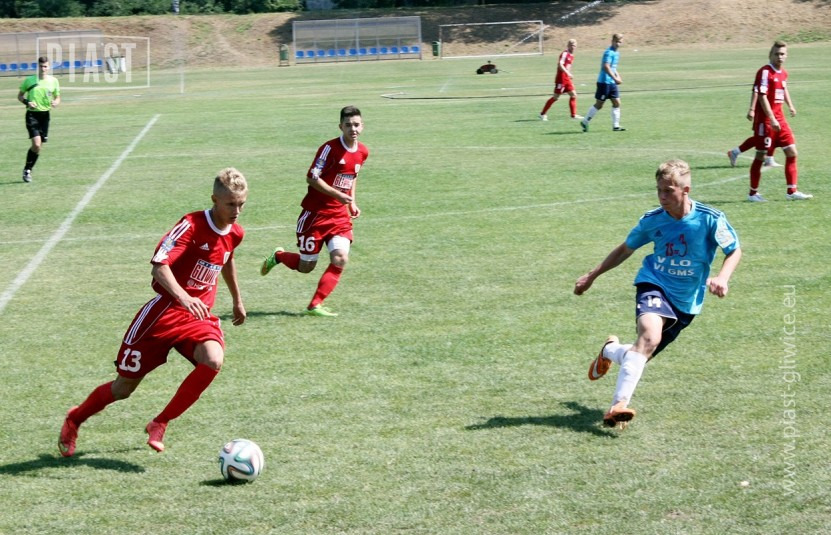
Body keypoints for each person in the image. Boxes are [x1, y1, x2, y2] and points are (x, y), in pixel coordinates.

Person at [59, 168, 249, 457]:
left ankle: (160, 422)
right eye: (230, 204)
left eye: (241, 204)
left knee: (213, 360)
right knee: (123, 389)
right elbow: (159, 267)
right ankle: (75, 418)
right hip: (162, 315)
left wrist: (237, 299)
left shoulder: (235, 233)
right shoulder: (190, 225)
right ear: (214, 200)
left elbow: (227, 259)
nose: (236, 211)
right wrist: (184, 297)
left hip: (197, 317)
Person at [574, 159, 741, 429]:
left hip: (687, 300)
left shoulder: (710, 218)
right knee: (649, 337)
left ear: (685, 190)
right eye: (659, 190)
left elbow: (734, 250)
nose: (662, 197)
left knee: (641, 353)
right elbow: (625, 249)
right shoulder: (653, 220)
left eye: (668, 191)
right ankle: (618, 406)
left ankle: (610, 350)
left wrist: (723, 277)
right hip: (654, 284)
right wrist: (592, 275)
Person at [260, 106, 369, 317]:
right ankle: (279, 256)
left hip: (339, 216)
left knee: (340, 258)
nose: (353, 129)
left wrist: (351, 202)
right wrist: (338, 195)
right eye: (348, 125)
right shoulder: (329, 149)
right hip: (315, 215)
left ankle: (314, 305)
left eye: (356, 125)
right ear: (341, 126)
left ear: (362, 126)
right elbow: (312, 177)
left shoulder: (363, 151)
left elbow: (352, 176)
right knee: (306, 266)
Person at [746, 40, 812, 202]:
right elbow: (761, 96)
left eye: (782, 54)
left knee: (792, 152)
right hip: (766, 122)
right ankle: (753, 194)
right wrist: (771, 118)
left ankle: (792, 191)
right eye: (776, 54)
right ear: (770, 55)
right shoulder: (765, 72)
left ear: (786, 55)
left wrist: (790, 106)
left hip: (780, 120)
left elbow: (783, 89)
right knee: (761, 156)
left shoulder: (783, 73)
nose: (779, 57)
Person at [17, 56, 60, 183]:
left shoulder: (53, 81)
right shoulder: (30, 80)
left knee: (38, 147)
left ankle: (28, 169)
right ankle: (27, 170)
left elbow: (57, 97)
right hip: (32, 115)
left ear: (49, 67)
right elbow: (20, 96)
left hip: (45, 116)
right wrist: (27, 102)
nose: (43, 69)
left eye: (45, 66)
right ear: (38, 67)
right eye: (41, 66)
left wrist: (56, 102)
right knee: (36, 144)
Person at [580, 34, 625, 132]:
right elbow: (606, 66)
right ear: (612, 41)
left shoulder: (617, 53)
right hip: (604, 82)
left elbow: (613, 68)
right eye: (617, 42)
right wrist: (615, 78)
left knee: (617, 102)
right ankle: (585, 121)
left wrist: (618, 77)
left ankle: (616, 126)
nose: (618, 44)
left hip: (612, 82)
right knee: (599, 104)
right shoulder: (608, 52)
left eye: (620, 42)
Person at [727, 87, 780, 168]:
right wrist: (752, 109)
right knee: (764, 136)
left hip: (773, 110)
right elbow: (756, 91)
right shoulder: (762, 79)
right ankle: (769, 159)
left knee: (765, 136)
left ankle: (735, 152)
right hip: (763, 113)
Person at [539, 39, 582, 121]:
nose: (573, 47)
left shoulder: (572, 55)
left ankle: (573, 115)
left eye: (574, 45)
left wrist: (569, 74)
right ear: (568, 45)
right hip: (561, 79)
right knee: (556, 97)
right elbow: (560, 65)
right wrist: (567, 73)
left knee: (573, 95)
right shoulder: (564, 54)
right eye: (571, 45)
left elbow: (568, 66)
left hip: (567, 79)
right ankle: (542, 114)